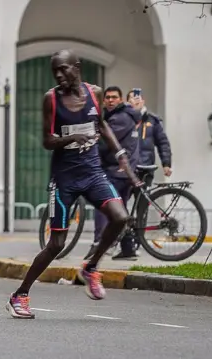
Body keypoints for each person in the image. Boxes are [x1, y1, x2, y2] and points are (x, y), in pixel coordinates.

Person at [6, 50, 142, 319]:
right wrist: (69, 139)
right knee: (56, 244)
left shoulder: (95, 93)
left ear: (77, 68)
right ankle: (19, 295)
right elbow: (46, 141)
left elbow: (102, 125)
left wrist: (120, 155)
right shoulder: (51, 99)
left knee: (120, 217)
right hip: (64, 180)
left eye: (64, 69)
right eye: (54, 71)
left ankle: (90, 268)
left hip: (92, 173)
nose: (59, 75)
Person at [85, 86, 141, 261]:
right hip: (121, 169)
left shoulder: (121, 118)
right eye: (107, 97)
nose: (110, 100)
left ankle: (98, 242)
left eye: (114, 97)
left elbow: (105, 143)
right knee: (120, 209)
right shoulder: (115, 116)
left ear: (121, 100)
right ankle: (128, 248)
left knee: (104, 205)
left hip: (119, 170)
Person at [126, 89, 172, 177]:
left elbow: (163, 143)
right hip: (127, 167)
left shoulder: (153, 120)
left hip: (145, 166)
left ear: (143, 101)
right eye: (132, 99)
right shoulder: (123, 119)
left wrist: (166, 164)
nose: (135, 101)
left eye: (137, 98)